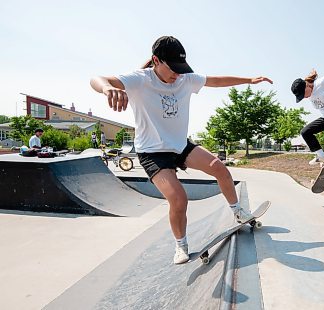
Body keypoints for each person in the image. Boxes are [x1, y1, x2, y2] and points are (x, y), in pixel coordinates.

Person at [90, 36, 273, 264]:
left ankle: (237, 211)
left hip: (180, 145)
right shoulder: (139, 79)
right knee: (178, 199)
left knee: (220, 169)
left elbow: (215, 81)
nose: (177, 74)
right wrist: (107, 88)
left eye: (181, 69)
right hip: (153, 152)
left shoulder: (185, 79)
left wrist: (248, 80)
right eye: (172, 69)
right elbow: (96, 79)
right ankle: (181, 245)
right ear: (156, 61)